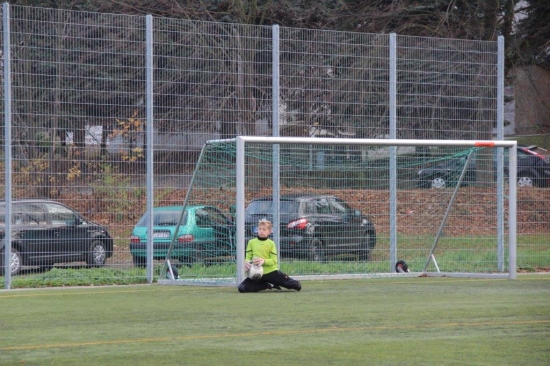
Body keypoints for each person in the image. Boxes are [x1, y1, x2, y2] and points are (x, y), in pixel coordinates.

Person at [238, 219, 302, 293]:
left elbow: (274, 261)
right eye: (260, 229)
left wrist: (263, 261)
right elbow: (248, 257)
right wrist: (247, 263)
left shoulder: (271, 243)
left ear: (269, 231)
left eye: (264, 229)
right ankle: (268, 285)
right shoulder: (251, 242)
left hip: (271, 271)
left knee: (296, 285)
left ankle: (279, 281)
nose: (261, 231)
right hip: (256, 273)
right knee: (242, 288)